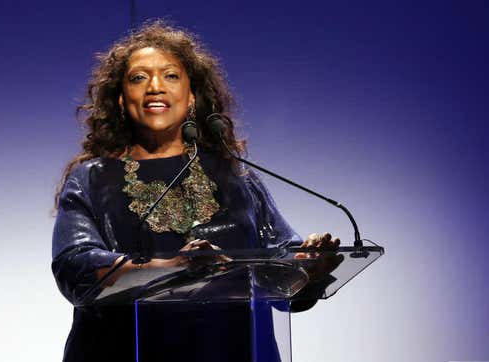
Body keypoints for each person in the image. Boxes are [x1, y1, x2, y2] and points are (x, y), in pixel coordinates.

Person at [51, 20, 340, 362]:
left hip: (231, 349)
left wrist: (307, 267)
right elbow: (76, 269)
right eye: (139, 78)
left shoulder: (235, 178)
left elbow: (279, 265)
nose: (155, 87)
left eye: (170, 76)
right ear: (119, 99)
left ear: (190, 98)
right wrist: (172, 267)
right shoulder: (91, 180)